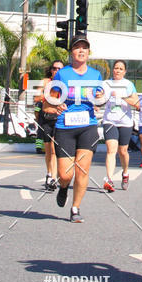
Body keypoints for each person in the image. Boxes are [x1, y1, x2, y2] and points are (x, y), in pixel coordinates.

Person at [44, 35, 103, 222]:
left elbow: (100, 97)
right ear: (71, 52)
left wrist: (98, 102)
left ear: (88, 52)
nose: (81, 51)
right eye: (77, 47)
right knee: (65, 173)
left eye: (84, 48)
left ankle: (75, 208)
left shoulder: (96, 75)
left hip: (88, 125)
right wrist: (55, 107)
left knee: (83, 170)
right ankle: (63, 187)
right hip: (65, 126)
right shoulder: (63, 74)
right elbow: (48, 102)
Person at [102, 60, 140, 191]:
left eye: (120, 68)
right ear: (112, 70)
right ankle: (109, 179)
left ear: (124, 71)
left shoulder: (128, 85)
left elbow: (136, 103)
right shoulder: (106, 84)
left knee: (122, 151)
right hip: (110, 120)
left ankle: (125, 173)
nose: (117, 70)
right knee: (111, 150)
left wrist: (122, 96)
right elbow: (100, 99)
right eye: (116, 68)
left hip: (125, 121)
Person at [33, 60, 63, 190]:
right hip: (46, 117)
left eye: (59, 69)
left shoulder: (64, 83)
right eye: (54, 68)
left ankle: (53, 178)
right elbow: (36, 97)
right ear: (51, 70)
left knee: (54, 149)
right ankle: (49, 173)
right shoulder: (45, 82)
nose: (56, 71)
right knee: (48, 150)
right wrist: (47, 95)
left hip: (58, 118)